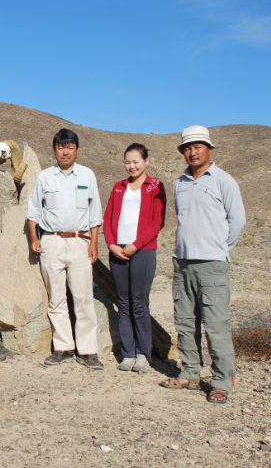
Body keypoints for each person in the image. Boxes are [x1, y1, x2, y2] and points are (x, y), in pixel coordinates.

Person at [159, 126, 245, 404]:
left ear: (209, 149)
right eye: (187, 147)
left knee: (216, 325)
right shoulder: (179, 183)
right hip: (183, 263)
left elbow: (238, 222)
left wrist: (219, 248)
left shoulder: (224, 180)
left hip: (212, 265)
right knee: (185, 323)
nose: (192, 151)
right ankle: (191, 373)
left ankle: (221, 381)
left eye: (197, 146)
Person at [27, 128, 104, 370]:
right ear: (54, 150)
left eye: (70, 147)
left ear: (77, 150)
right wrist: (34, 238)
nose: (65, 151)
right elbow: (33, 211)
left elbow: (95, 213)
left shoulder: (87, 176)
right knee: (56, 298)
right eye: (61, 147)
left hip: (80, 241)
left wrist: (94, 242)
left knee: (83, 297)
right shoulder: (45, 177)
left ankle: (88, 350)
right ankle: (63, 347)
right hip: (51, 241)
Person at [103, 143, 166, 373]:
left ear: (146, 161)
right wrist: (111, 243)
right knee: (124, 303)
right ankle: (127, 354)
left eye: (136, 161)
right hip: (117, 250)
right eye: (128, 162)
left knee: (139, 303)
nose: (132, 166)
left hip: (143, 251)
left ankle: (142, 353)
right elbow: (108, 217)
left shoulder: (155, 186)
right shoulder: (118, 187)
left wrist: (135, 245)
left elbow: (157, 221)